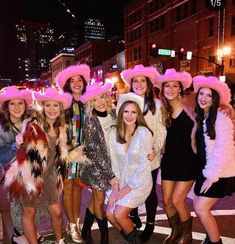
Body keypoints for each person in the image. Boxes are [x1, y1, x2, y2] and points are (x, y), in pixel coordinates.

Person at [4, 87, 85, 244]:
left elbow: (60, 155)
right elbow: (22, 147)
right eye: (48, 105)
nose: (52, 109)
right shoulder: (33, 125)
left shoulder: (61, 128)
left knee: (57, 212)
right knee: (29, 213)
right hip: (30, 177)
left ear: (60, 108)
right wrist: (19, 142)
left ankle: (59, 241)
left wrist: (74, 155)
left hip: (49, 177)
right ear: (43, 107)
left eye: (55, 105)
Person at [121, 64, 166, 242]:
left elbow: (162, 130)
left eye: (142, 80)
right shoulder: (125, 102)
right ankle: (132, 215)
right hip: (130, 157)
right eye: (135, 81)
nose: (139, 84)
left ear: (148, 83)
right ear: (130, 84)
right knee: (129, 185)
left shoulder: (157, 105)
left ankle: (151, 223)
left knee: (150, 192)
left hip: (150, 157)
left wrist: (156, 149)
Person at [155, 68, 198, 244]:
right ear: (163, 89)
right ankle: (175, 231)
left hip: (188, 161)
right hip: (169, 161)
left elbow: (212, 107)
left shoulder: (191, 104)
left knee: (177, 200)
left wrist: (225, 107)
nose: (171, 89)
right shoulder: (162, 109)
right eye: (167, 86)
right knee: (166, 201)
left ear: (180, 88)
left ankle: (187, 234)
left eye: (175, 86)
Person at [0, 86, 47, 243]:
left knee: (32, 210)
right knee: (27, 210)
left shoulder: (30, 122)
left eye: (20, 103)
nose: (16, 107)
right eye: (12, 104)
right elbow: (2, 157)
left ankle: (25, 234)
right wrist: (15, 144)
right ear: (6, 106)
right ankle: (25, 236)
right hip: (16, 177)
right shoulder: (2, 128)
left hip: (33, 172)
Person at [106, 92, 153, 244]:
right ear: (120, 113)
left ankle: (134, 241)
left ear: (138, 114)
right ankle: (132, 239)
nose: (129, 115)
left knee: (119, 214)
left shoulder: (143, 133)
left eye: (133, 112)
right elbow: (113, 163)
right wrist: (116, 188)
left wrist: (127, 188)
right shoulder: (114, 132)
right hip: (121, 181)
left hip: (140, 182)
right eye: (126, 111)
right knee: (109, 214)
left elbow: (144, 165)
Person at [192, 75, 235, 244]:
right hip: (207, 168)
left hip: (219, 172)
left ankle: (215, 242)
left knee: (201, 208)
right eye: (201, 94)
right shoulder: (203, 116)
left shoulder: (220, 117)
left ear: (215, 98)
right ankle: (211, 237)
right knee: (197, 203)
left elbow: (224, 149)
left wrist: (211, 175)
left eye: (209, 95)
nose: (204, 98)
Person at [55, 64, 90, 243]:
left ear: (84, 83)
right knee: (68, 188)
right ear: (68, 84)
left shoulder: (87, 102)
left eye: (79, 80)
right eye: (72, 80)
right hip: (68, 153)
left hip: (84, 153)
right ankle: (73, 225)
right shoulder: (64, 103)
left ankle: (74, 222)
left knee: (78, 187)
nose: (76, 83)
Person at [79, 82, 116, 244]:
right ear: (90, 104)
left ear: (106, 97)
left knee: (95, 200)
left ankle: (85, 230)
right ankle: (104, 237)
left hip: (112, 163)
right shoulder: (90, 122)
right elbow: (93, 152)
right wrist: (110, 174)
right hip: (96, 168)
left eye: (101, 97)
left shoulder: (114, 114)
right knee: (100, 201)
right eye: (94, 100)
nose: (100, 102)